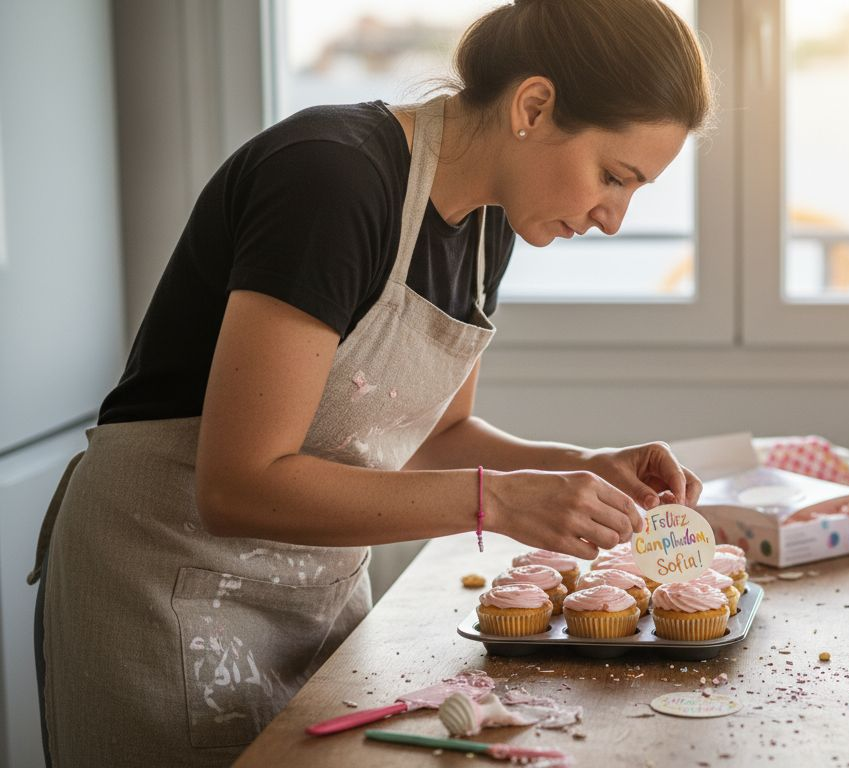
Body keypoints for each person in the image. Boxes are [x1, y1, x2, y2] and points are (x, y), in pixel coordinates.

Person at [28, 0, 712, 764]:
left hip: (314, 598)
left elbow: (432, 438)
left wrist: (580, 468)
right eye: (613, 177)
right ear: (534, 105)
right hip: (164, 588)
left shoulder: (490, 227)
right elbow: (237, 486)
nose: (614, 216)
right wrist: (500, 500)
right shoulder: (331, 178)